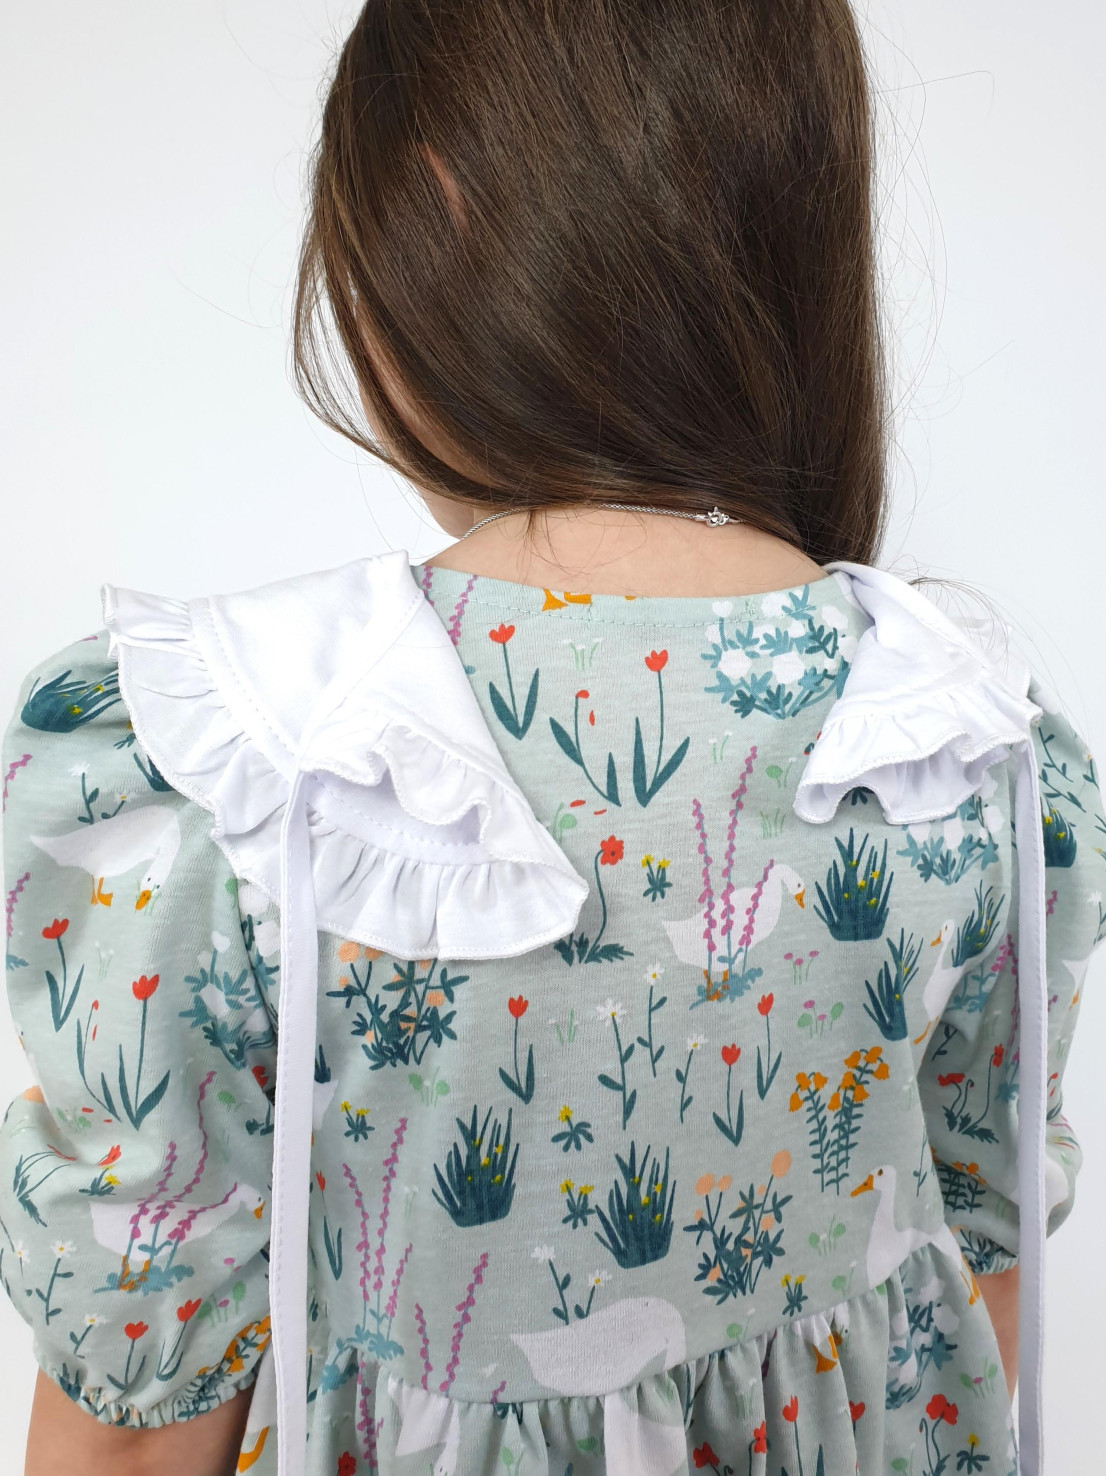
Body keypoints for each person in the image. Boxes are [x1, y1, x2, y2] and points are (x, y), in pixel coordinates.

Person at [2, 4, 1101, 1475]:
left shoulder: (242, 763)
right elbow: (973, 1308)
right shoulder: (966, 742)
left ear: (432, 216)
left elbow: (139, 1434)